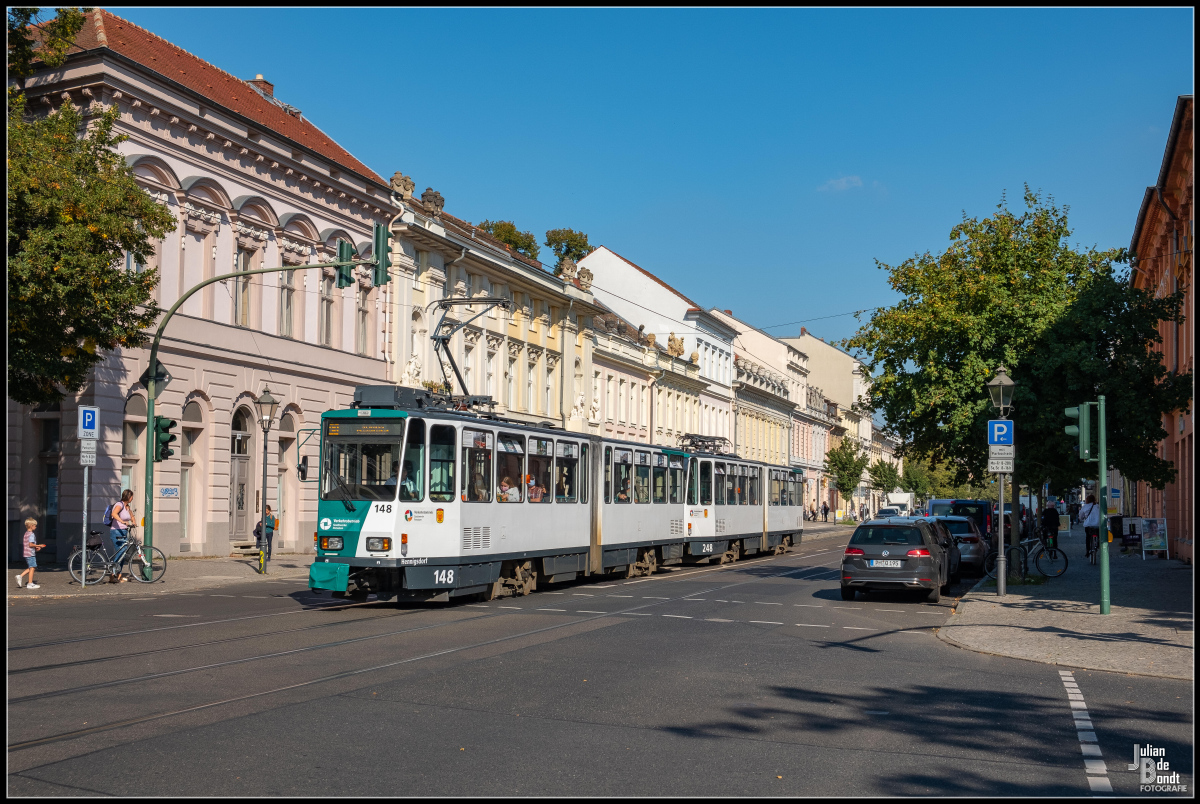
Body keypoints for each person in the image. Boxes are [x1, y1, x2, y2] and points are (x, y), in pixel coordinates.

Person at [108, 489, 135, 583]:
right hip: (116, 531)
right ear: (128, 497)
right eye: (131, 497)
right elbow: (114, 514)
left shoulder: (127, 507)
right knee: (121, 551)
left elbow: (132, 516)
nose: (132, 498)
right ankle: (112, 573)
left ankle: (118, 575)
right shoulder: (119, 505)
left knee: (123, 554)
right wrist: (122, 521)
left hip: (124, 531)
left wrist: (134, 522)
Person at [16, 518, 45, 589]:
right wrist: (39, 545)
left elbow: (28, 544)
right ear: (31, 526)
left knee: (32, 567)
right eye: (35, 525)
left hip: (26, 553)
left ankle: (20, 576)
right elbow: (30, 544)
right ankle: (30, 583)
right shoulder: (31, 534)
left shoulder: (26, 534)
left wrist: (36, 547)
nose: (36, 527)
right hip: (30, 554)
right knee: (32, 567)